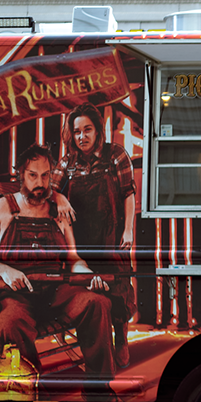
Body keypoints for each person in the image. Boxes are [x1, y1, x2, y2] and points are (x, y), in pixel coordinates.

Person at [0, 145, 116, 382]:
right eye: (33, 175)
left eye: (45, 175)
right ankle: (31, 384)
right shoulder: (2, 208)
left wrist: (88, 276)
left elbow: (74, 258)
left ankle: (100, 385)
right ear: (21, 175)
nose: (40, 183)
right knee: (9, 322)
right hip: (18, 295)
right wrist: (5, 271)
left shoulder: (59, 210)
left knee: (98, 303)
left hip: (58, 292)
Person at [51, 103, 136, 368]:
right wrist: (60, 196)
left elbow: (128, 194)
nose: (82, 137)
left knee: (117, 287)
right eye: (77, 132)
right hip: (81, 238)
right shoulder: (67, 161)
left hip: (112, 234)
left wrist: (129, 228)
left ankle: (120, 336)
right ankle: (95, 346)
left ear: (98, 130)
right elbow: (49, 189)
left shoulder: (116, 155)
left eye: (87, 130)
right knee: (86, 289)